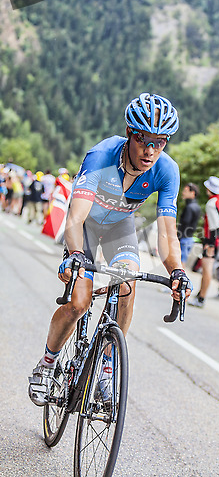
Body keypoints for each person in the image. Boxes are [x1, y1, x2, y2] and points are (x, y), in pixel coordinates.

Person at [28, 93, 192, 406]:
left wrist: (177, 271)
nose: (150, 150)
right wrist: (75, 255)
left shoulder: (167, 171)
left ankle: (105, 369)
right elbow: (75, 218)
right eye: (144, 140)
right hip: (86, 227)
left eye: (160, 142)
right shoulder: (102, 155)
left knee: (128, 283)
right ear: (130, 134)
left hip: (120, 228)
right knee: (79, 302)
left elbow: (168, 235)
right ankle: (47, 364)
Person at [189, 176, 219, 308]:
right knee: (207, 269)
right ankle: (200, 294)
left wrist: (210, 244)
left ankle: (201, 298)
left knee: (206, 269)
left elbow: (214, 226)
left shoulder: (211, 203)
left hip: (213, 241)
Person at [177, 182, 201, 265]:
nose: (183, 193)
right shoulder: (196, 207)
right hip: (189, 238)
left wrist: (177, 237)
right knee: (181, 262)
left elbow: (185, 224)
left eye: (186, 191)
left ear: (192, 193)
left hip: (184, 238)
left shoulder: (189, 207)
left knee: (179, 263)